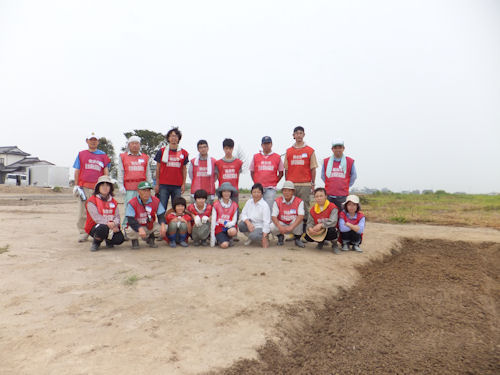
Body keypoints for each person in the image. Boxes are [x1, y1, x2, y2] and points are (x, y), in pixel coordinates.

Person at [73, 132, 111, 243]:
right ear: (87, 141)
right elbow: (77, 170)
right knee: (83, 211)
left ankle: (98, 232)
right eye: (91, 139)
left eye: (95, 140)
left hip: (98, 188)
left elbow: (105, 170)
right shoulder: (81, 154)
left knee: (100, 210)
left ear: (98, 141)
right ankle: (83, 232)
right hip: (84, 187)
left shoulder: (103, 155)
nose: (93, 141)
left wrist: (106, 184)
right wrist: (76, 185)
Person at [284, 126, 318, 231]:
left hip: (305, 184)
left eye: (300, 133)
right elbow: (286, 169)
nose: (299, 135)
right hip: (292, 185)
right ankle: (292, 231)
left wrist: (313, 184)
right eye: (296, 133)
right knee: (291, 208)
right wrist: (287, 184)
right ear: (293, 136)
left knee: (304, 209)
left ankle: (304, 231)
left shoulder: (310, 151)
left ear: (304, 135)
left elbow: (313, 168)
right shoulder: (288, 151)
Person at [118, 136, 152, 230]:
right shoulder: (123, 156)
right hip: (129, 187)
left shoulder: (145, 157)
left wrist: (150, 185)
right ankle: (126, 228)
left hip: (142, 188)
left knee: (142, 208)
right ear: (129, 145)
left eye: (136, 143)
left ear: (140, 145)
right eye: (132, 143)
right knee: (128, 208)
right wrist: (120, 185)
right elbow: (120, 172)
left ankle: (143, 227)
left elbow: (148, 172)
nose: (134, 145)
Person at [84, 175, 124, 252]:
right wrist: (109, 224)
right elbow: (97, 218)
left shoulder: (113, 201)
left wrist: (114, 223)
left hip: (111, 225)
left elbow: (117, 216)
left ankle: (108, 240)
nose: (105, 187)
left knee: (120, 239)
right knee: (102, 228)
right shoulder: (91, 201)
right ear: (98, 187)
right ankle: (96, 242)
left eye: (107, 185)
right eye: (102, 185)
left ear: (110, 188)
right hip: (96, 227)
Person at [154, 127, 189, 210]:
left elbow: (184, 169)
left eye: (176, 136)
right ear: (168, 138)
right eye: (172, 136)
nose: (174, 138)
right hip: (163, 185)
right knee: (162, 206)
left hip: (177, 186)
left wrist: (183, 184)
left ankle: (174, 221)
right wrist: (157, 184)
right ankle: (161, 222)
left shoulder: (184, 153)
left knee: (177, 207)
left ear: (179, 138)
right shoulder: (161, 151)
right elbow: (158, 168)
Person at [125, 181, 166, 250]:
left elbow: (161, 215)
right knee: (129, 230)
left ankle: (150, 238)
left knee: (165, 228)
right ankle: (134, 240)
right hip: (137, 226)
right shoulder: (132, 203)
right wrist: (139, 228)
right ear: (138, 191)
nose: (146, 193)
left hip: (150, 225)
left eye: (148, 190)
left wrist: (162, 226)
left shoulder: (156, 201)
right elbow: (130, 220)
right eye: (144, 190)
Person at [321, 140, 357, 210]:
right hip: (329, 195)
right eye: (335, 147)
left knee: (342, 216)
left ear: (343, 148)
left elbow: (354, 176)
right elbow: (323, 176)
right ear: (332, 149)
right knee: (329, 216)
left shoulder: (349, 161)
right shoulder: (326, 161)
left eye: (340, 147)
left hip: (342, 196)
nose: (338, 149)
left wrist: (346, 185)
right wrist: (330, 184)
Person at [250, 136, 284, 210]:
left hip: (270, 188)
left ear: (271, 144)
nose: (266, 145)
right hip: (257, 188)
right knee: (254, 207)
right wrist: (256, 183)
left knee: (268, 208)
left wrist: (274, 182)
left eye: (268, 143)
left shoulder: (277, 157)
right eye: (264, 144)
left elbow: (281, 173)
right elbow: (252, 171)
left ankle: (267, 222)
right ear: (261, 145)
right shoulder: (256, 156)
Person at [270, 181, 305, 248]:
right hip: (282, 223)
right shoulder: (277, 201)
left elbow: (301, 216)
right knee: (271, 226)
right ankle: (280, 236)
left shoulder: (299, 201)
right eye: (285, 190)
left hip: (293, 224)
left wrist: (291, 227)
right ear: (282, 191)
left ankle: (297, 238)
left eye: (289, 190)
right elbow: (273, 216)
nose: (287, 193)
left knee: (300, 221)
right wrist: (280, 227)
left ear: (293, 192)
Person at [305, 187, 339, 253]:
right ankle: (321, 242)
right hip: (319, 231)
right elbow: (309, 222)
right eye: (317, 196)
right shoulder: (313, 210)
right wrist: (310, 229)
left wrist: (321, 225)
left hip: (329, 229)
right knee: (307, 235)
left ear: (325, 196)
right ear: (314, 198)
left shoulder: (332, 207)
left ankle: (334, 244)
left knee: (332, 230)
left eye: (321, 196)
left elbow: (333, 222)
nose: (319, 198)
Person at [239, 183, 271, 248]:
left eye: (258, 192)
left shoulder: (264, 205)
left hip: (260, 227)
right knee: (241, 225)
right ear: (251, 193)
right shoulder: (249, 202)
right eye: (254, 192)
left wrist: (264, 236)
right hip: (251, 224)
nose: (256, 194)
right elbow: (243, 214)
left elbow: (266, 222)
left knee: (254, 236)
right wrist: (248, 223)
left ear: (262, 194)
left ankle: (263, 237)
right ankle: (251, 237)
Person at [210, 182, 239, 248]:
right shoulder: (216, 204)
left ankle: (228, 238)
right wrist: (212, 239)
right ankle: (221, 240)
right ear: (221, 193)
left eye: (228, 191)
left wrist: (228, 224)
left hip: (229, 227)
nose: (226, 193)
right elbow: (213, 222)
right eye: (224, 191)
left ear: (231, 193)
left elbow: (234, 221)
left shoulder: (234, 205)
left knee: (233, 231)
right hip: (219, 228)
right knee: (224, 245)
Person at [189, 140, 217, 204]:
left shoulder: (213, 161)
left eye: (204, 147)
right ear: (198, 149)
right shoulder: (193, 161)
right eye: (200, 147)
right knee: (194, 212)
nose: (203, 149)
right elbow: (191, 175)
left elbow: (215, 176)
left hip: (209, 193)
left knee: (208, 212)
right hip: (195, 193)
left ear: (208, 148)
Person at [215, 138, 243, 203]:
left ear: (233, 148)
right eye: (226, 148)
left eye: (230, 149)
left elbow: (238, 175)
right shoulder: (218, 163)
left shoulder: (238, 162)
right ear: (223, 149)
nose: (228, 151)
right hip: (222, 191)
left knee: (234, 210)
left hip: (234, 192)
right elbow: (218, 176)